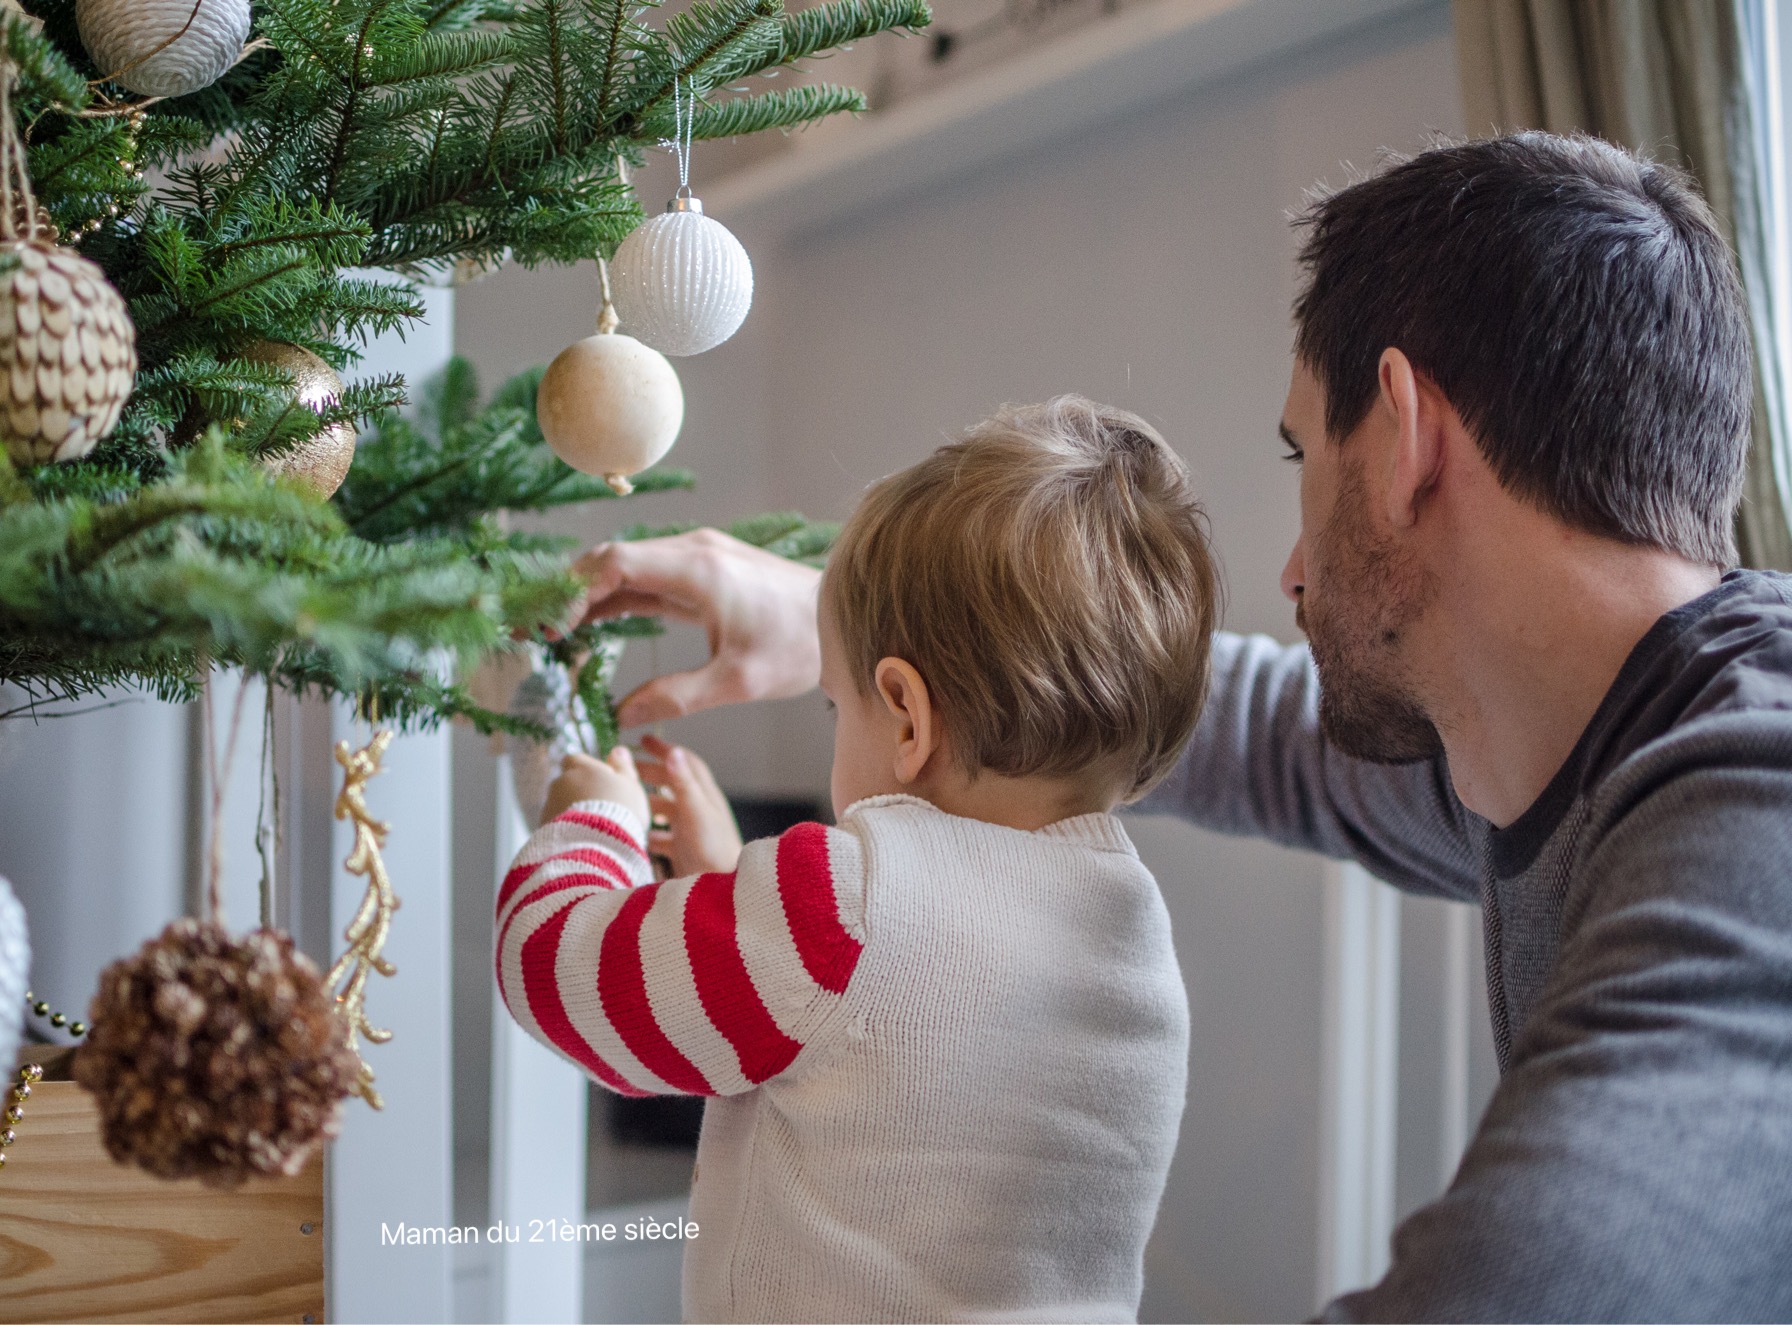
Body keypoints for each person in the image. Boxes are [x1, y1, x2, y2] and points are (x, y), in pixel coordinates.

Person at [568, 131, 1792, 1321]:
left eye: (1302, 452)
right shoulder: (1555, 742)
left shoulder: (1750, 807)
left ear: (1405, 439)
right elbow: (1253, 727)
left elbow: (1547, 1277)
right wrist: (856, 617)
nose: (1293, 569)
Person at [497, 399, 1215, 1322]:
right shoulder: (1133, 940)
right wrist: (726, 878)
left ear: (907, 716)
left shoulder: (839, 912)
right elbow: (872, 1050)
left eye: (836, 706)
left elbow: (560, 972)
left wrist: (591, 822)